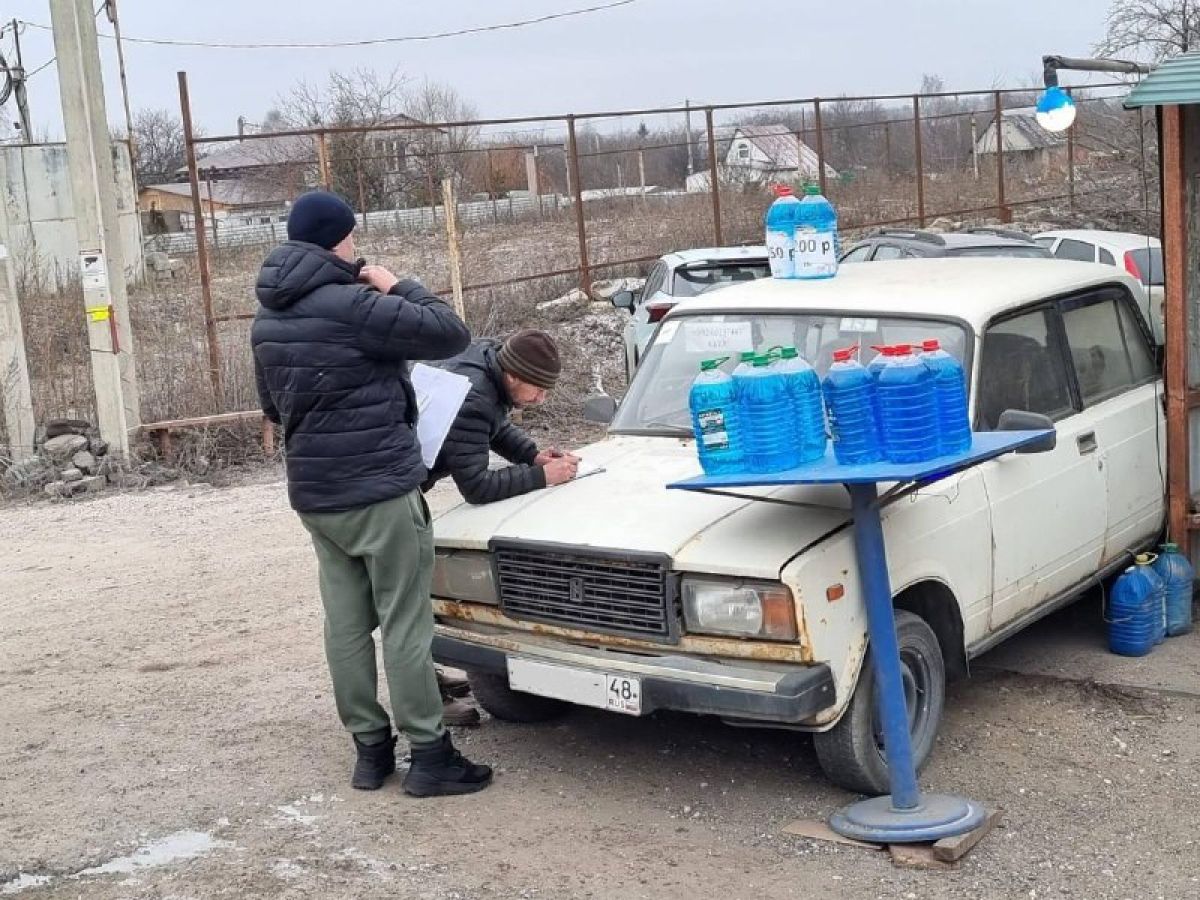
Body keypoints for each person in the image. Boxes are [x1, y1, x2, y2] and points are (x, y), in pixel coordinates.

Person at [251, 190, 492, 798]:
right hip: (380, 491)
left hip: (317, 496)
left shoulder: (267, 317)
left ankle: (370, 751)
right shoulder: (356, 303)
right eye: (352, 236)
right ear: (340, 240)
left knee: (347, 626)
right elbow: (449, 334)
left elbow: (273, 408)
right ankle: (430, 756)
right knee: (405, 625)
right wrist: (399, 285)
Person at [422, 330, 578, 506]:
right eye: (538, 389)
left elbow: (489, 423)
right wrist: (542, 476)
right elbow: (477, 487)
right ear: (512, 376)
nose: (540, 399)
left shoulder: (488, 359)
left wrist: (532, 456)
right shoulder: (471, 398)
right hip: (390, 484)